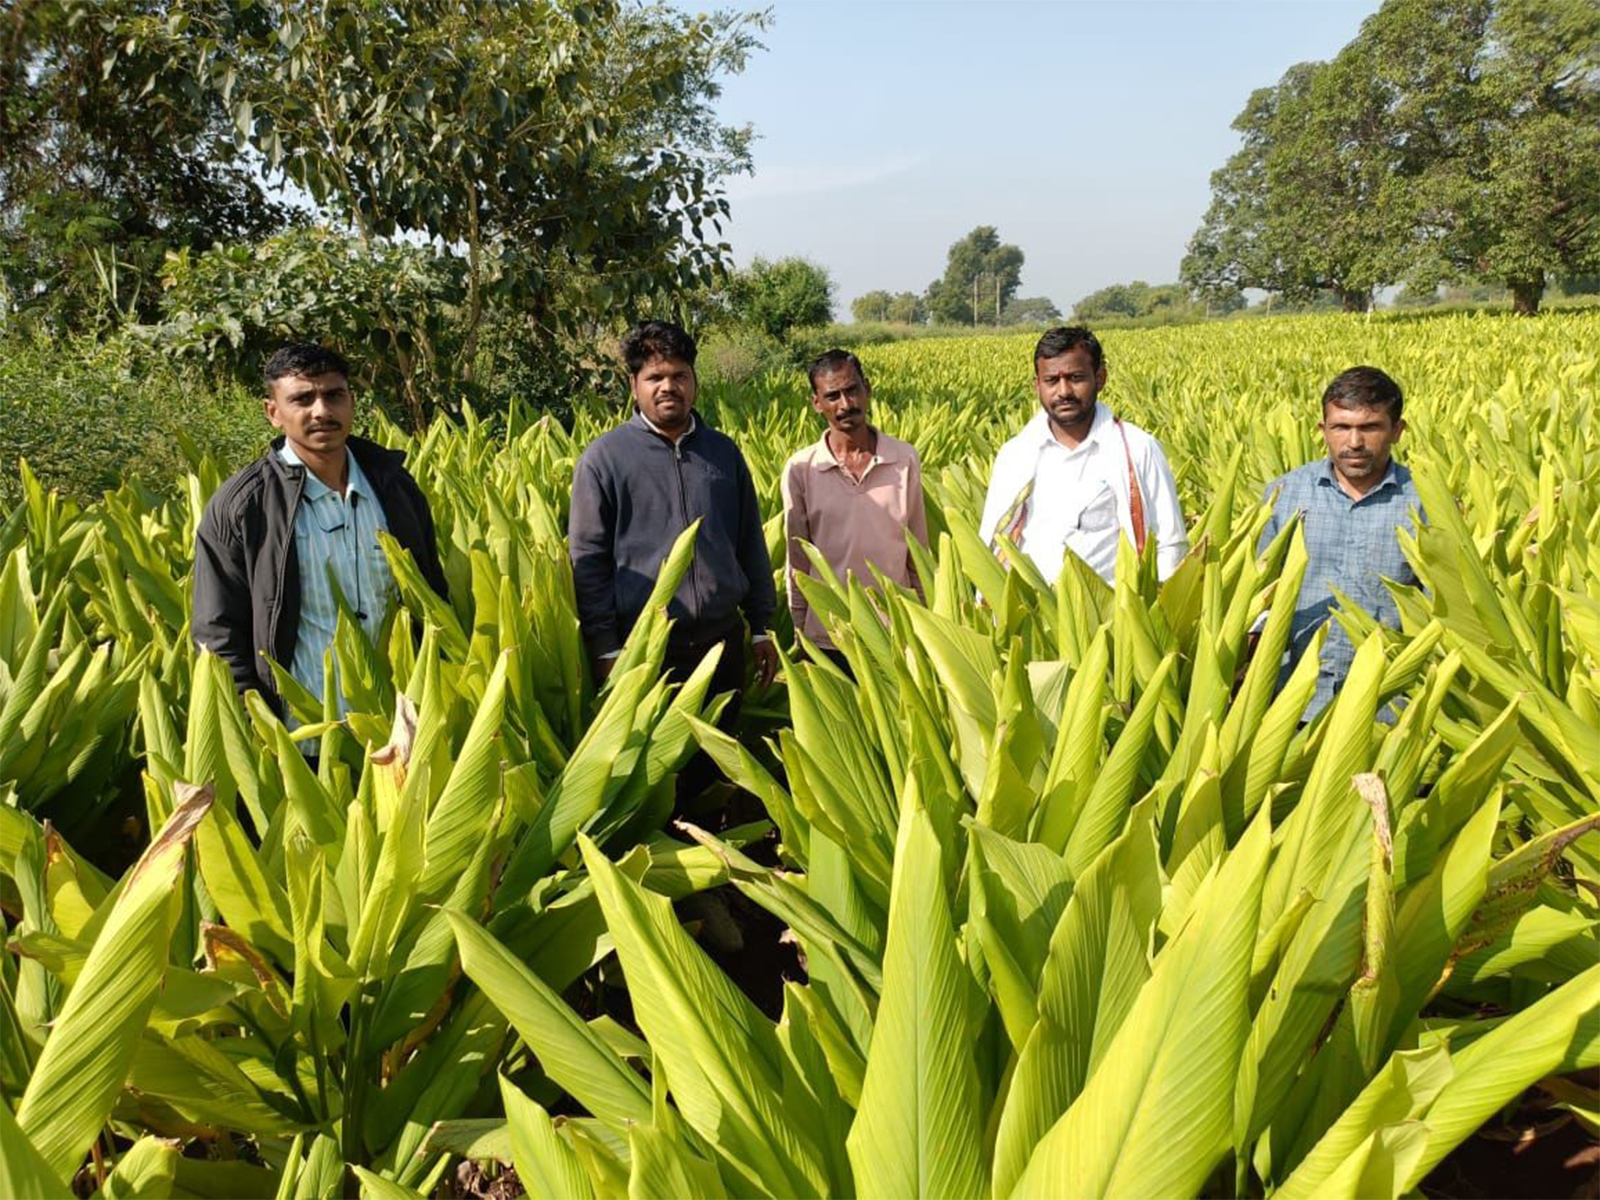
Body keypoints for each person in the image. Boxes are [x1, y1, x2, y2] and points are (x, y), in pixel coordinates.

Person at [192, 343, 449, 719]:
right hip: (302, 736)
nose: (322, 411)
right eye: (302, 399)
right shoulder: (243, 507)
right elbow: (218, 635)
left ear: (352, 401)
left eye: (333, 395)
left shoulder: (395, 486)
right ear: (273, 412)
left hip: (401, 724)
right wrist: (254, 728)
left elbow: (433, 596)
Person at [568, 320, 778, 697]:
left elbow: (749, 541)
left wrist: (762, 626)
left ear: (694, 380)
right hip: (645, 648)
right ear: (634, 385)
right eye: (655, 377)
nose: (669, 387)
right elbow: (589, 560)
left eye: (680, 375)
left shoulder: (722, 452)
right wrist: (605, 646)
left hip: (722, 642)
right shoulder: (605, 459)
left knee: (719, 751)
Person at [1259, 365, 1425, 721]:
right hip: (1295, 700)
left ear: (1397, 431)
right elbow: (1258, 597)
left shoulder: (1425, 503)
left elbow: (1441, 606)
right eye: (1341, 427)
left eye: (1370, 427)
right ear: (1323, 430)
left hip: (1388, 704)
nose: (1354, 443)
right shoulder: (1285, 495)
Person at [979, 326, 1187, 585]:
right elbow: (992, 539)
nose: (1063, 391)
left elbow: (1170, 543)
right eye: (1052, 380)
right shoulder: (1016, 454)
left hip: (1114, 615)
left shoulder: (1137, 448)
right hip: (1033, 616)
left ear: (1100, 378)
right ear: (1037, 385)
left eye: (1076, 378)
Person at [781, 349, 928, 670]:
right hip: (830, 631)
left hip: (895, 628)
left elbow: (918, 549)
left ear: (867, 388)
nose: (845, 405)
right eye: (832, 396)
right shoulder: (801, 468)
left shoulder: (903, 458)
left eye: (852, 390)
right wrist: (799, 628)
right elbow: (797, 559)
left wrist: (926, 622)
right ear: (817, 403)